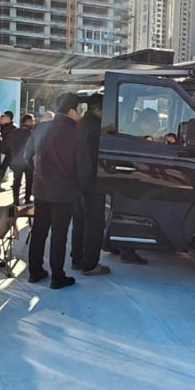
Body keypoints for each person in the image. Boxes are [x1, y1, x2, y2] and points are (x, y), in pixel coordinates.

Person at [27, 93, 85, 289]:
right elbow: (82, 166)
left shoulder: (41, 128)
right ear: (71, 111)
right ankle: (57, 276)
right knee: (59, 235)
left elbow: (27, 156)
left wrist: (39, 174)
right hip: (64, 191)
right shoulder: (77, 133)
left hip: (41, 188)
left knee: (38, 231)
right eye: (80, 110)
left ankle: (35, 271)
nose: (80, 114)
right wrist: (80, 188)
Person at [73, 94, 110, 275]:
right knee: (94, 223)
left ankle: (77, 258)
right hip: (93, 181)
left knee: (79, 220)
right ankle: (90, 264)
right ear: (98, 109)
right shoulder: (96, 129)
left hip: (78, 180)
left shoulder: (80, 124)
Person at [9, 114, 35, 206]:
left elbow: (10, 147)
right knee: (28, 181)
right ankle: (27, 198)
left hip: (18, 161)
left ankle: (16, 200)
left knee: (17, 181)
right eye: (32, 120)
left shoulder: (15, 132)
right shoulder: (32, 133)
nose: (33, 122)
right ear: (26, 121)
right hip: (28, 161)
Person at [0, 110, 16, 183]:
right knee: (9, 166)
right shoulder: (3, 125)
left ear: (9, 118)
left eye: (4, 116)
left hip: (11, 151)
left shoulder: (13, 127)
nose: (3, 118)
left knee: (5, 166)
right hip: (6, 150)